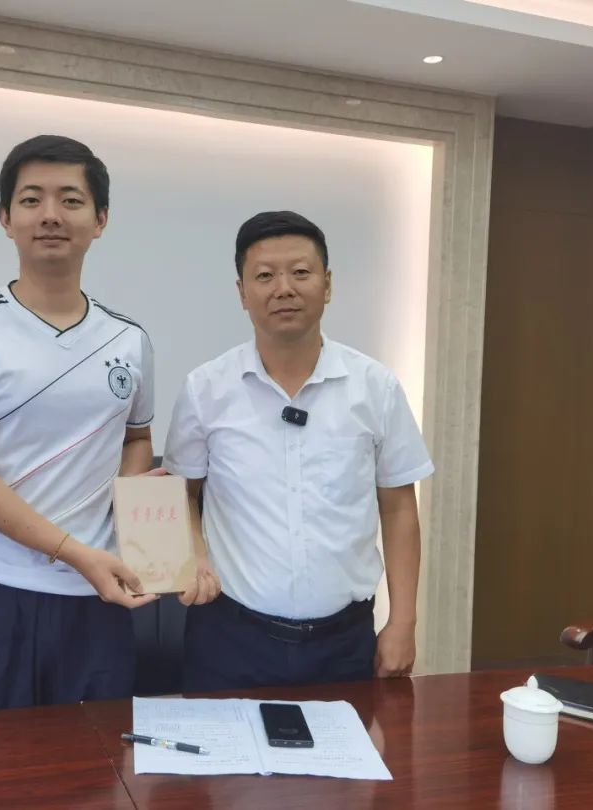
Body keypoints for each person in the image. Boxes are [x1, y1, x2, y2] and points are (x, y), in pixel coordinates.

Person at [0, 135, 160, 715]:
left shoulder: (129, 339)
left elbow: (137, 437)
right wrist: (76, 552)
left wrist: (133, 522)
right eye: (31, 199)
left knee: (97, 766)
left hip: (96, 601)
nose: (51, 215)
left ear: (100, 220)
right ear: (6, 218)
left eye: (71, 200)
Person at [163, 210, 434, 691]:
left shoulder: (375, 387)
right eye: (265, 276)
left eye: (301, 272)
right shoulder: (206, 388)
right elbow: (182, 493)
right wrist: (193, 557)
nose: (283, 288)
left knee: (349, 744)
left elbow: (398, 508)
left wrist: (403, 622)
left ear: (327, 284)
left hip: (344, 641)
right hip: (229, 638)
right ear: (242, 293)